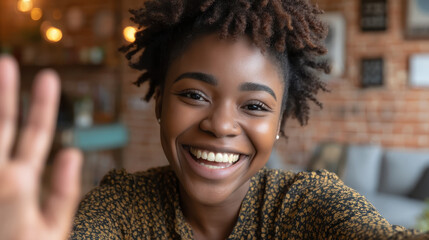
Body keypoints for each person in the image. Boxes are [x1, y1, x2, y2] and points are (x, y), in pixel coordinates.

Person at [0, 0, 427, 239]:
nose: (221, 125)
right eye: (194, 95)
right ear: (160, 104)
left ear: (279, 122)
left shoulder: (307, 205)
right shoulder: (122, 208)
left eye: (255, 106)